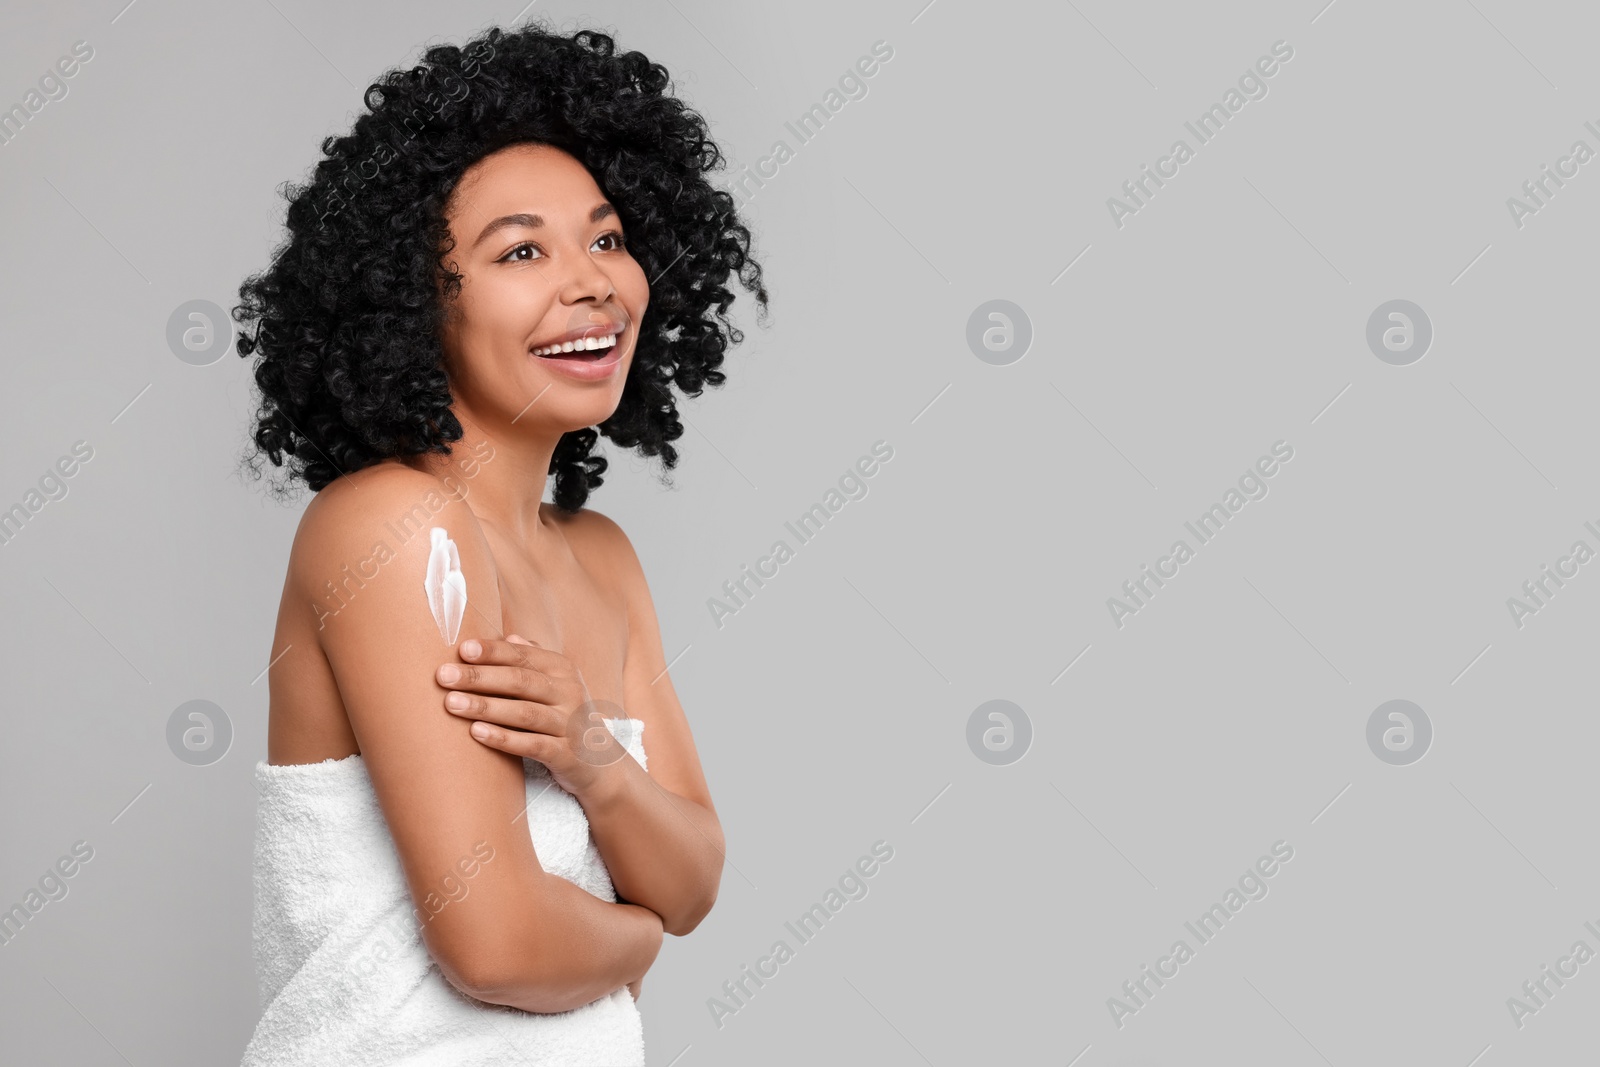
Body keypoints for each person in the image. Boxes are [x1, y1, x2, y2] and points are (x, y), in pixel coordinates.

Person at [232, 19, 769, 1065]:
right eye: (521, 250)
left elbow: (696, 873)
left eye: (607, 238)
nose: (593, 282)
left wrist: (590, 757)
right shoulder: (388, 525)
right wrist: (638, 931)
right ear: (410, 307)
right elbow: (497, 939)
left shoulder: (601, 556)